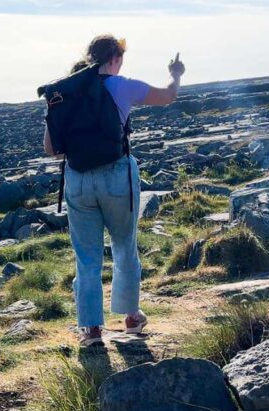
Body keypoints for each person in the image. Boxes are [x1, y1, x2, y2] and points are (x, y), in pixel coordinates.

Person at [43, 35, 186, 347]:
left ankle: (91, 329)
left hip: (78, 179)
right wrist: (176, 74)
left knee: (87, 257)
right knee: (123, 246)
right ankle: (131, 317)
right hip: (117, 176)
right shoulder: (122, 86)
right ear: (116, 58)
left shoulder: (64, 92)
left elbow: (51, 149)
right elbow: (167, 96)